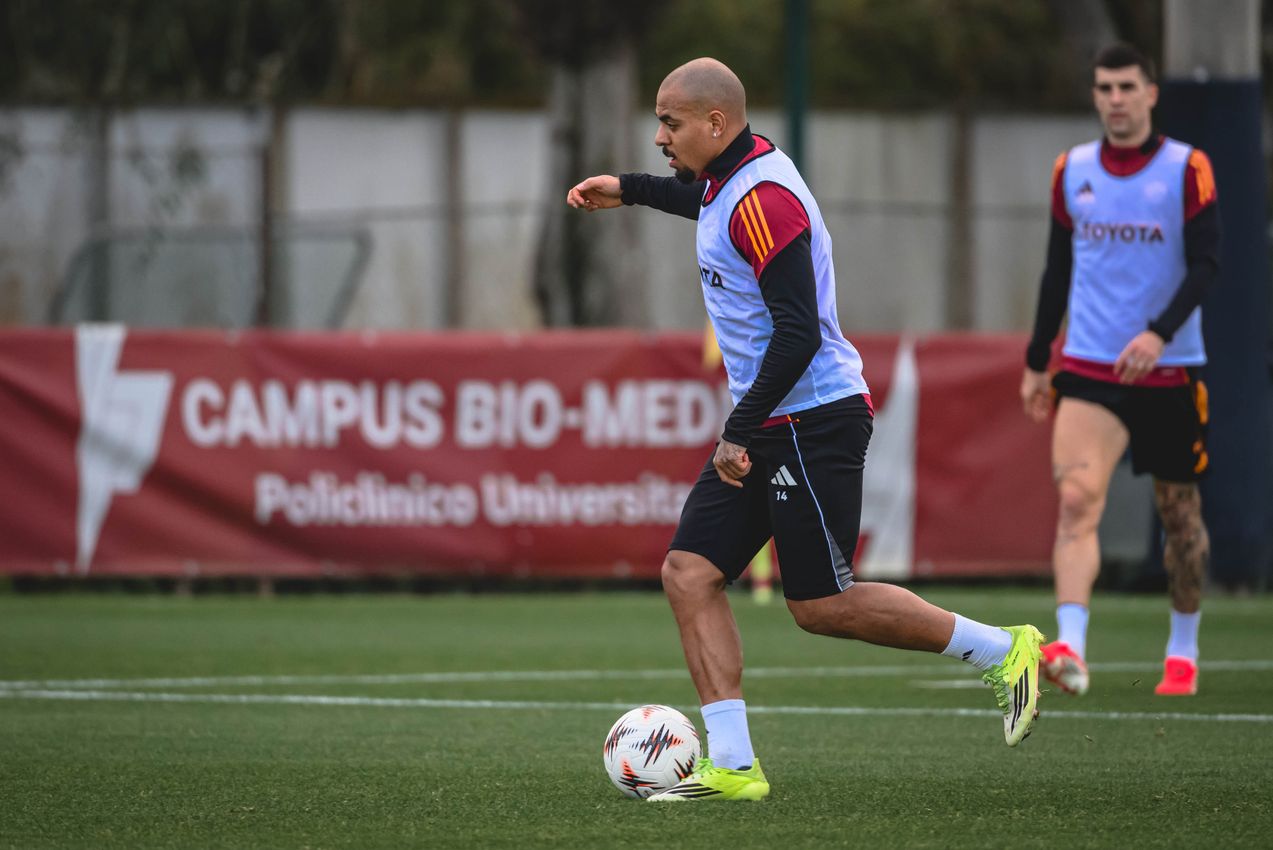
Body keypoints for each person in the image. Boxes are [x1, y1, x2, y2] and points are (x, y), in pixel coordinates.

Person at [568, 57, 1042, 802]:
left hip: (811, 420)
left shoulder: (762, 198)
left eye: (670, 122)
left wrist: (738, 429)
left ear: (716, 124)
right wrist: (627, 190)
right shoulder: (732, 178)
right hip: (773, 420)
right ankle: (732, 767)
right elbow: (703, 199)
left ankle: (1002, 650)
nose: (658, 135)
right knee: (689, 575)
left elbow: (798, 336)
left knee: (819, 606)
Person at [1021, 43, 1219, 698]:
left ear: (1150, 93)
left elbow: (1205, 266)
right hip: (1088, 368)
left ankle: (1182, 650)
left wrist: (1158, 335)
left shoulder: (1186, 168)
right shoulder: (1070, 170)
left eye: (1126, 87)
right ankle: (1069, 647)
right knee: (1075, 501)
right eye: (1103, 87)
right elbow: (1056, 270)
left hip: (1168, 370)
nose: (1114, 99)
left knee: (1179, 517)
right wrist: (1035, 358)